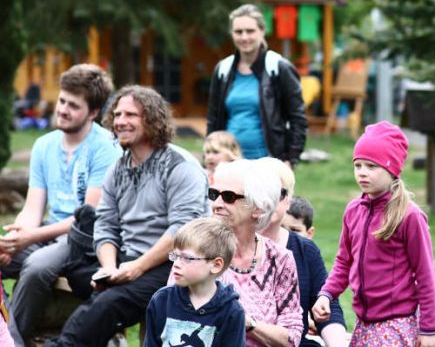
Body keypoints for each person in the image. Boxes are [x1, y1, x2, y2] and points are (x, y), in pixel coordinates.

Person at [44, 85, 208, 347]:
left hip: (174, 263)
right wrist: (109, 268)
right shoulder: (117, 170)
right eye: (117, 115)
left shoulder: (180, 166)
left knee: (111, 300)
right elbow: (106, 225)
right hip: (127, 260)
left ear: (153, 119)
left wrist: (137, 267)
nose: (120, 121)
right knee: (84, 274)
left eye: (131, 115)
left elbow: (183, 231)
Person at [0, 63, 121, 345]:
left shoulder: (105, 147)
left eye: (73, 106)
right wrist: (14, 238)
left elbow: (88, 217)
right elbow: (33, 208)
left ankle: (13, 341)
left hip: (82, 239)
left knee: (36, 267)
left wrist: (29, 238)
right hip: (47, 231)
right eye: (62, 101)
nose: (63, 109)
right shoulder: (44, 145)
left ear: (93, 113)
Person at [313, 121, 435, 347]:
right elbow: (343, 262)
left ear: (391, 169)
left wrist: (429, 329)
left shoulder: (409, 216)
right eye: (358, 165)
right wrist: (326, 294)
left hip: (395, 325)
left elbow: (425, 274)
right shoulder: (353, 211)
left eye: (371, 166)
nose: (362, 172)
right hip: (364, 324)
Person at [209, 159, 303, 346]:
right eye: (214, 194)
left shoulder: (280, 259)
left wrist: (248, 323)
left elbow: (291, 338)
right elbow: (173, 315)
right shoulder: (196, 251)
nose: (216, 203)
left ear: (258, 207)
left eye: (228, 197)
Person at [258, 157, 347, 347]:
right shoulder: (230, 244)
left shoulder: (305, 249)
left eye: (278, 193)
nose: (270, 200)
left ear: (288, 200)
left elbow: (326, 304)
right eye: (263, 191)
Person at [206, 3, 307, 166]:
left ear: (262, 31)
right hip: (229, 162)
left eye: (250, 31)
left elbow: (298, 118)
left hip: (268, 162)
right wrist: (211, 152)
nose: (244, 37)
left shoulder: (278, 67)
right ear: (231, 34)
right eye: (238, 32)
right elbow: (213, 118)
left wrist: (290, 159)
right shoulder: (223, 69)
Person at [145, 216, 245, 347]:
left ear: (216, 265)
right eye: (175, 256)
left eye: (186, 258)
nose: (176, 264)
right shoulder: (161, 300)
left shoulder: (232, 312)